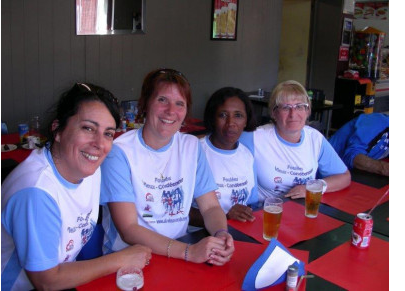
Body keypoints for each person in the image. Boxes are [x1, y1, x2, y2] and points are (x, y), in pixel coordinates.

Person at [1, 83, 152, 291]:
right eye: (88, 128)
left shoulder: (90, 170)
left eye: (108, 133)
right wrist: (121, 258)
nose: (99, 144)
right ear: (58, 130)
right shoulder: (36, 193)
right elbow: (47, 281)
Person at [100, 68, 235, 266]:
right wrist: (188, 252)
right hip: (129, 260)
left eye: (179, 103)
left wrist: (221, 234)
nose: (171, 111)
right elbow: (129, 229)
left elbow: (211, 207)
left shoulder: (191, 146)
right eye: (162, 100)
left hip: (178, 253)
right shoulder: (119, 152)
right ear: (145, 103)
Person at [239, 80, 351, 200]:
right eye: (286, 108)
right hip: (265, 211)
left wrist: (313, 187)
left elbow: (344, 176)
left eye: (299, 107)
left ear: (308, 111)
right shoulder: (254, 138)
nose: (293, 114)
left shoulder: (315, 138)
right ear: (273, 113)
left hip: (302, 210)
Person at [190, 87, 259, 225]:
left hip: (238, 232)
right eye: (223, 115)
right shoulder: (195, 151)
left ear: (246, 120)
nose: (230, 123)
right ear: (212, 118)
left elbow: (250, 203)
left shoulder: (247, 155)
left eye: (238, 115)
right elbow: (182, 212)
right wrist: (225, 217)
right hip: (201, 235)